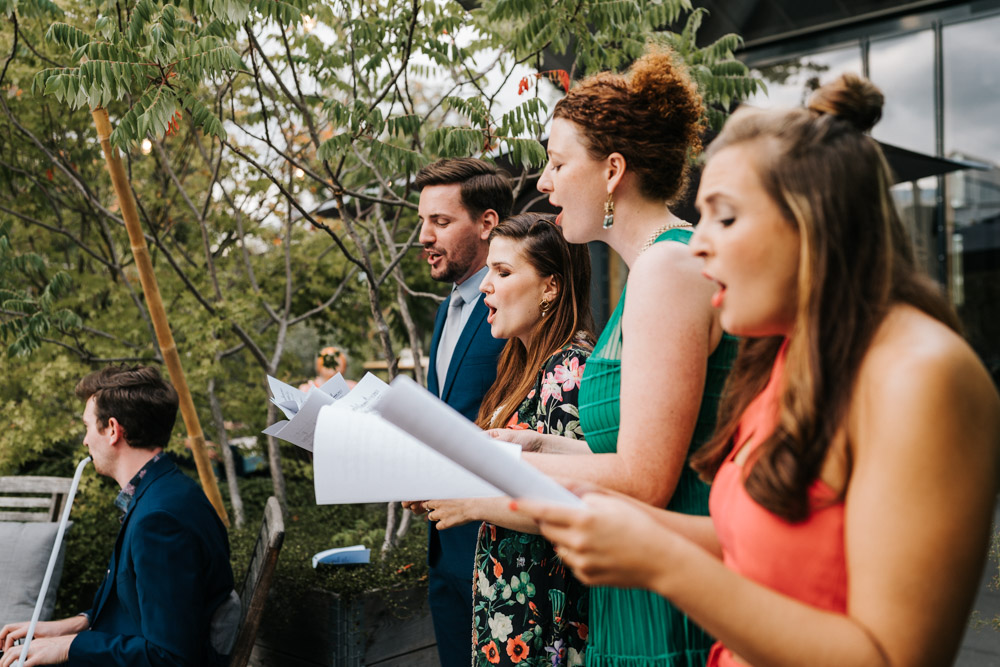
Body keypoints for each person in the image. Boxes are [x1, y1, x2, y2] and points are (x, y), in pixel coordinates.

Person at [514, 74, 1000, 666]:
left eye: (725, 218)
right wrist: (605, 517)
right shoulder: (790, 367)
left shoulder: (924, 377)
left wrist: (662, 562)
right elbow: (745, 542)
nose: (697, 246)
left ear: (809, 222)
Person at [493, 48, 737, 666]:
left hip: (677, 606)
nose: (543, 183)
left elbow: (644, 480)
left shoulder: (666, 269)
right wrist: (531, 447)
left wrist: (480, 472)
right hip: (639, 592)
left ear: (612, 171)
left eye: (556, 162)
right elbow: (628, 452)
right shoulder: (652, 271)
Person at [417, 213, 596, 666]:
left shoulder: (569, 372)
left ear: (551, 287)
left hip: (543, 613)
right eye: (489, 271)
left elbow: (571, 506)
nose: (484, 287)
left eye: (503, 272)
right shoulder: (519, 365)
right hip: (508, 608)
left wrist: (469, 502)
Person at [0, 365, 236, 667]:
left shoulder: (160, 520)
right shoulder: (163, 491)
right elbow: (139, 609)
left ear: (112, 430)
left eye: (88, 426)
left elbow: (171, 657)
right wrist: (72, 625)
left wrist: (70, 647)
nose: (85, 440)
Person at [409, 157, 512, 667]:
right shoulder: (443, 309)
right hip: (444, 549)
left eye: (441, 222)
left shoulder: (517, 311)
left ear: (487, 224)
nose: (424, 236)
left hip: (499, 554)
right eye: (423, 221)